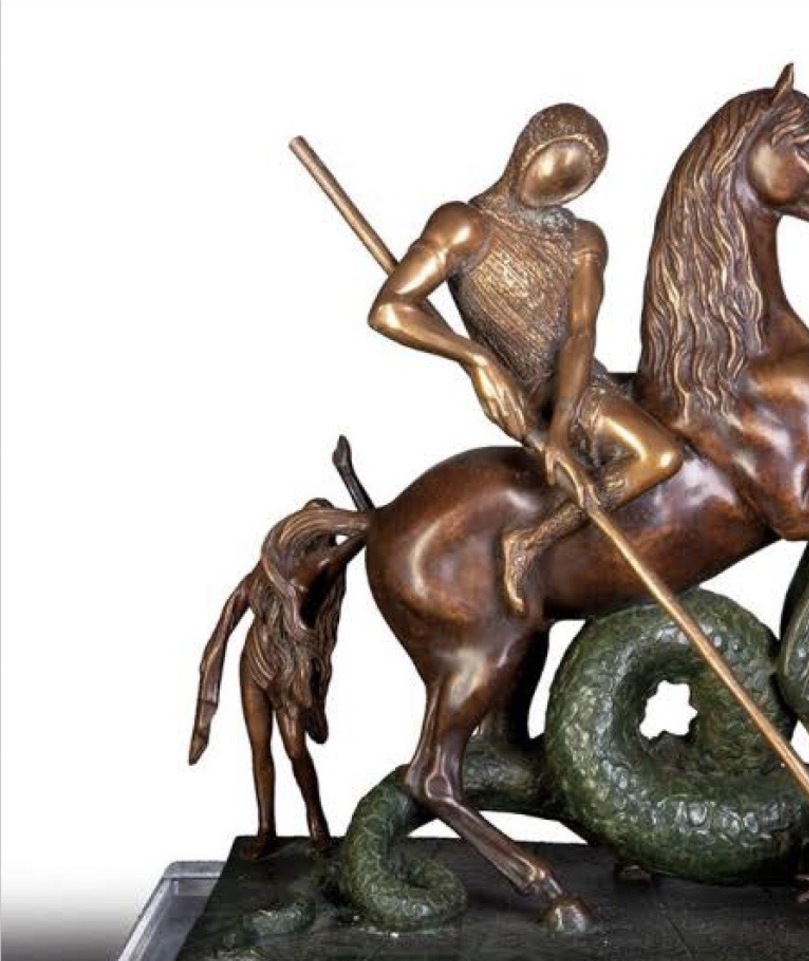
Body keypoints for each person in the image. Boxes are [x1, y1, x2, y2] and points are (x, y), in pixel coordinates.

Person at [368, 104, 682, 615]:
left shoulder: (583, 239)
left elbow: (580, 333)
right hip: (525, 389)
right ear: (526, 152)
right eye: (552, 167)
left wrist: (561, 430)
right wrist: (477, 360)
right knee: (659, 455)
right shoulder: (465, 225)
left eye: (574, 181)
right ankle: (529, 541)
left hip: (581, 383)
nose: (558, 186)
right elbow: (390, 310)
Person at [188, 500, 366, 858]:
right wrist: (211, 666)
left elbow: (367, 528)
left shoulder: (323, 567)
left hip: (288, 670)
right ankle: (266, 828)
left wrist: (349, 479)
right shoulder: (269, 567)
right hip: (254, 663)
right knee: (259, 749)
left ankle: (316, 820)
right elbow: (233, 608)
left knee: (295, 750)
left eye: (316, 522)